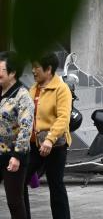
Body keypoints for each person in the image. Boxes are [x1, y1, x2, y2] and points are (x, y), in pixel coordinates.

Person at [22, 53, 72, 219]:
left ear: (48, 69)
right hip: (34, 145)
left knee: (56, 185)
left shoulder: (61, 89)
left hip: (55, 146)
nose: (33, 70)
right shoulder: (33, 89)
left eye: (36, 67)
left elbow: (63, 118)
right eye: (33, 67)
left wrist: (50, 139)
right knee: (19, 181)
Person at [0, 53, 33, 219]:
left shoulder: (23, 96)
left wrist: (17, 156)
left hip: (13, 156)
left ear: (12, 73)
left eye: (0, 69)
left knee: (14, 202)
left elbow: (26, 128)